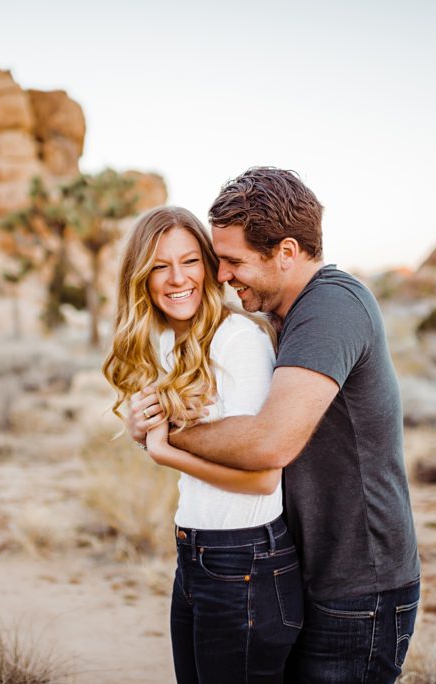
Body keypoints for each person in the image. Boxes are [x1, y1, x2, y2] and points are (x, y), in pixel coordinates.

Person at [126, 169, 421, 683]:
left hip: (358, 586)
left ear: (286, 252)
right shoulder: (281, 314)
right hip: (304, 570)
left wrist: (166, 433)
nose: (221, 277)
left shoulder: (331, 308)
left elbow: (270, 442)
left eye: (234, 262)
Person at [102, 206, 303, 684]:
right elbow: (192, 445)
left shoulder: (238, 341)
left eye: (190, 261)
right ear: (142, 277)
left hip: (246, 559)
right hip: (193, 552)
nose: (177, 279)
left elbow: (262, 478)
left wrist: (164, 451)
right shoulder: (166, 342)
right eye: (159, 265)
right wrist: (141, 434)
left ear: (210, 266)